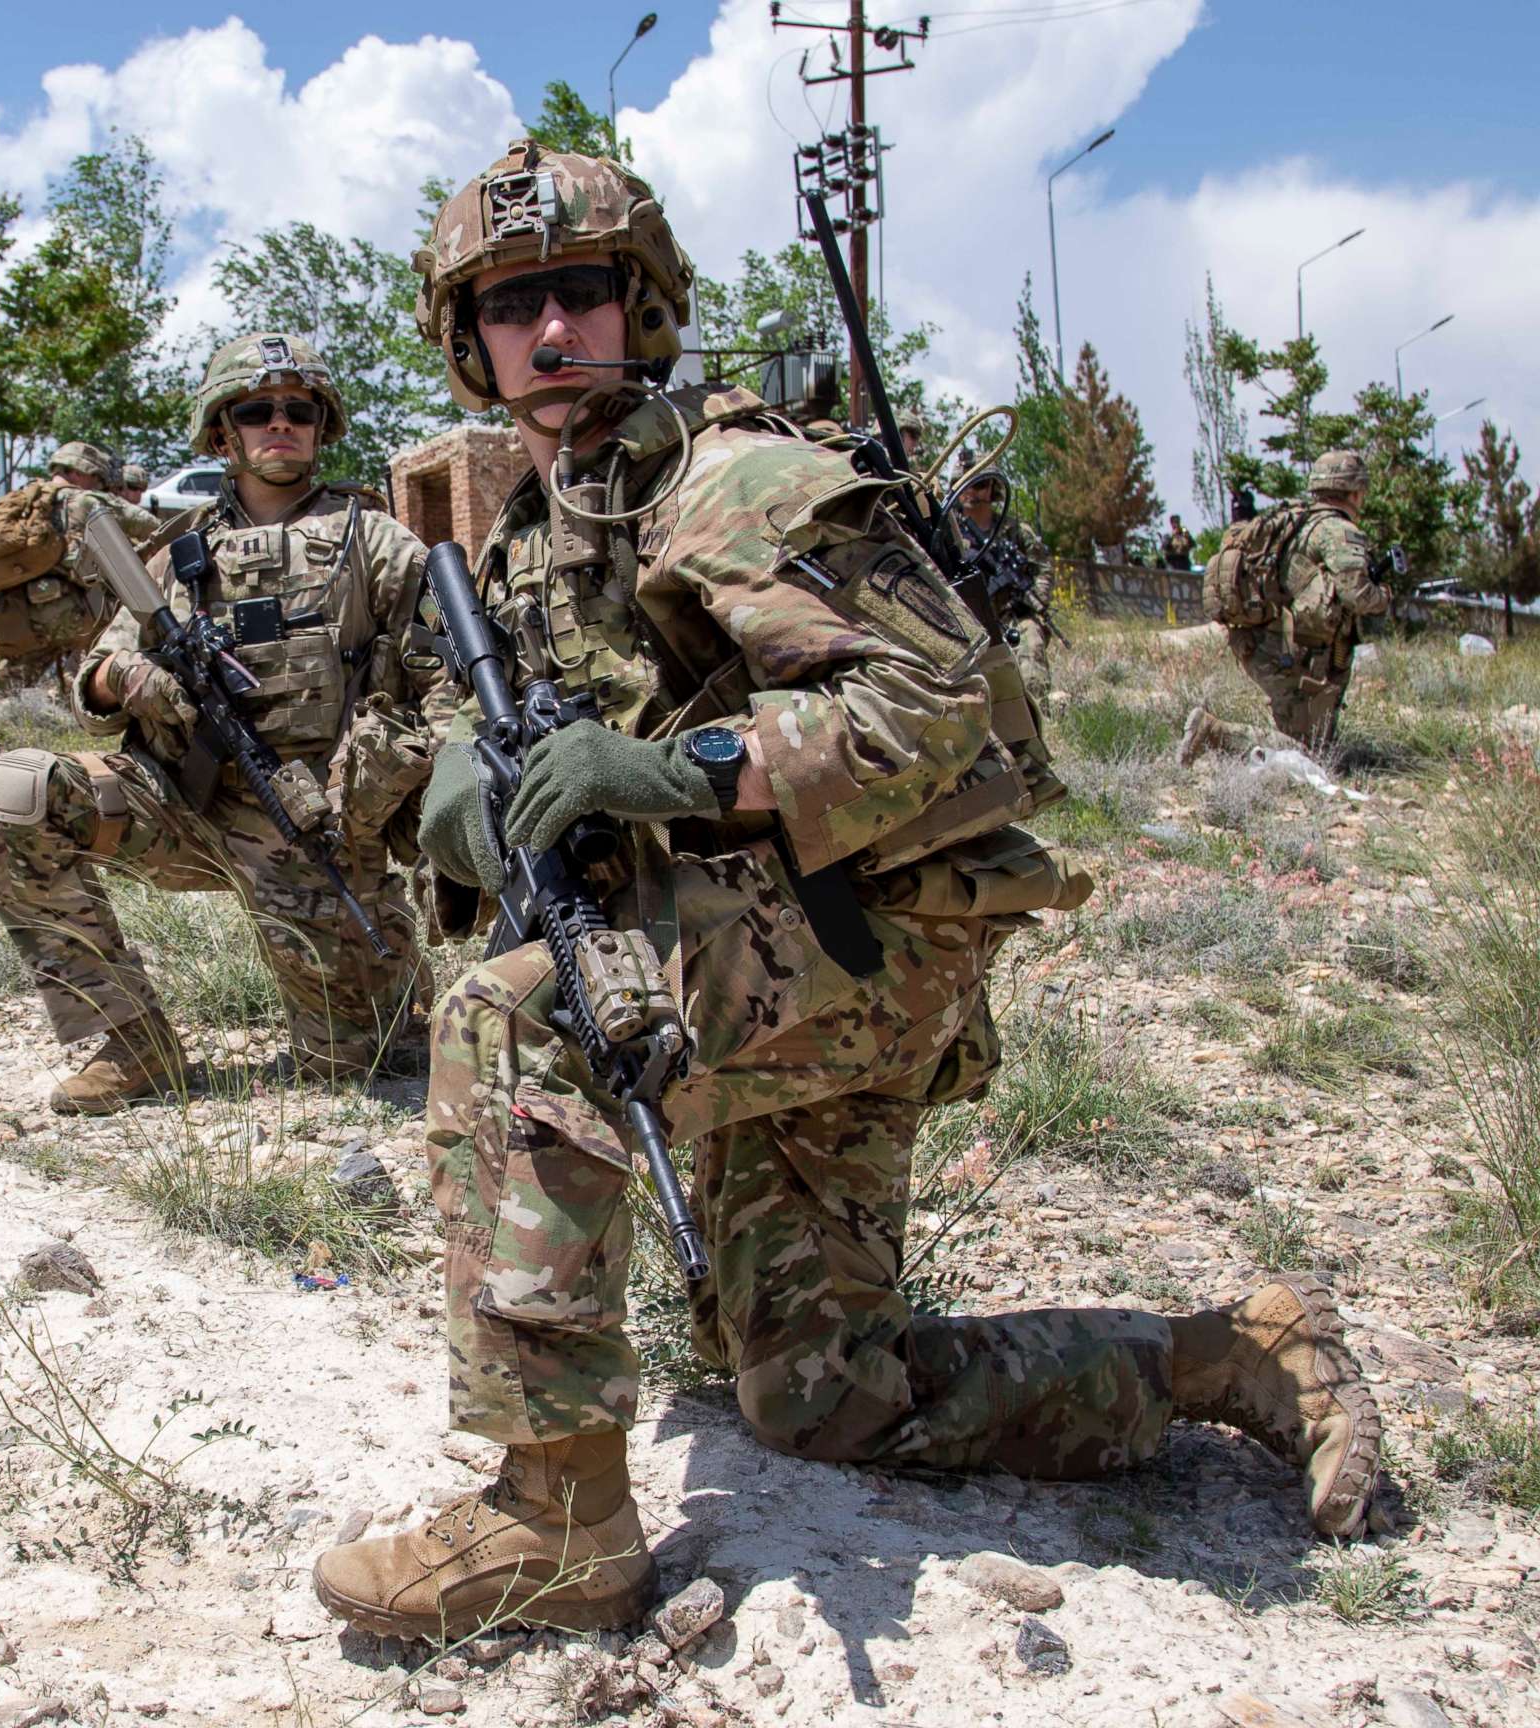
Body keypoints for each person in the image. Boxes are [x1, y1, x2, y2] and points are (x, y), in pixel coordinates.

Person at [308, 140, 1382, 1642]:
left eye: (576, 294)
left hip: (864, 939)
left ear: (645, 307)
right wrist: (457, 804)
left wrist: (676, 777)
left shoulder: (735, 478)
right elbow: (430, 745)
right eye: (505, 309)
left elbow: (950, 711)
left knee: (514, 1025)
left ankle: (559, 1525)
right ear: (466, 343)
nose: (546, 334)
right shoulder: (543, 527)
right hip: (762, 942)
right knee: (824, 1394)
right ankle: (1227, 1357)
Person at [0, 334, 441, 1113]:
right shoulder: (179, 550)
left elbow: (446, 687)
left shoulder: (378, 544)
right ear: (224, 434)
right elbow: (97, 673)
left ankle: (390, 978)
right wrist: (126, 674)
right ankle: (132, 1044)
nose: (280, 424)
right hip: (182, 807)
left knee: (356, 1066)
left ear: (323, 428)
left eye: (300, 411)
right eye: (258, 412)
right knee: (21, 792)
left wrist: (389, 789)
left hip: (315, 832)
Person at [1179, 451, 1389, 762]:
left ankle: (1224, 739)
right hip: (1294, 655)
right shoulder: (1337, 530)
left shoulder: (1298, 522)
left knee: (1317, 745)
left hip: (1267, 643)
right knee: (1310, 754)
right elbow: (1357, 594)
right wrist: (1384, 595)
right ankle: (1213, 732)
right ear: (1355, 492)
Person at [0, 441, 157, 693]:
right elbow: (152, 526)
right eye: (95, 477)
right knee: (123, 620)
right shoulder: (86, 500)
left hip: (13, 615)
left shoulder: (20, 501)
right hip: (70, 616)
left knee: (7, 694)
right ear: (77, 472)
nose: (98, 483)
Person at [950, 468, 1057, 704]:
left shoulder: (1015, 531)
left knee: (1031, 639)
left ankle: (1036, 711)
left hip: (1009, 615)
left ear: (991, 489)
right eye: (963, 483)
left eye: (978, 484)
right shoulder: (947, 530)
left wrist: (1030, 598)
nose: (969, 490)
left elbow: (1044, 569)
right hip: (963, 618)